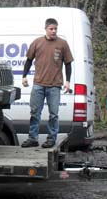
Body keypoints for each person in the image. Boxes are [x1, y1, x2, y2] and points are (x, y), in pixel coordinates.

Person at [20, 18, 73, 148]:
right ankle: (33, 138)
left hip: (55, 85)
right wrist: (24, 76)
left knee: (53, 114)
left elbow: (68, 64)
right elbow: (28, 60)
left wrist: (67, 81)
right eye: (51, 29)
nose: (54, 31)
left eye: (55, 29)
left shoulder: (62, 44)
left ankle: (51, 139)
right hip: (38, 84)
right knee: (35, 113)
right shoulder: (37, 42)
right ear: (46, 29)